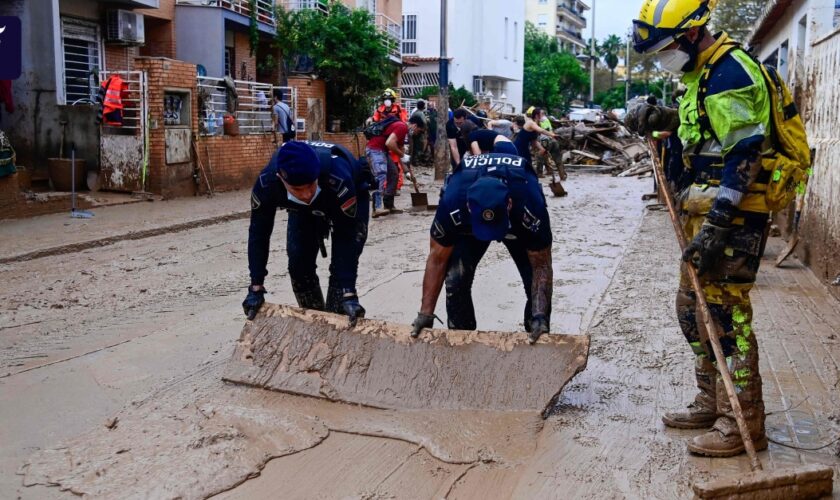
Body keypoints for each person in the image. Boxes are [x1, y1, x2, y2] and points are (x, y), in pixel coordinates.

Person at [628, 0, 774, 457]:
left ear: (692, 35)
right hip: (703, 211)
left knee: (728, 319)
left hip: (732, 217)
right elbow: (706, 131)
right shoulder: (701, 76)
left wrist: (716, 225)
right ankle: (712, 401)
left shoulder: (731, 72)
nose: (662, 57)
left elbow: (745, 154)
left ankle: (742, 421)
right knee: (692, 312)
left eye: (666, 47)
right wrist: (664, 119)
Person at [410, 153, 554, 345]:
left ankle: (535, 332)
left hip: (516, 223)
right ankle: (462, 340)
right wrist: (426, 313)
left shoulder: (530, 204)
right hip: (470, 226)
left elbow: (542, 266)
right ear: (469, 207)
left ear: (509, 204)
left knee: (532, 283)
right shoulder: (453, 202)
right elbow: (437, 259)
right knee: (455, 279)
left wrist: (540, 316)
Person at [243, 141, 371, 325]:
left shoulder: (338, 178)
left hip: (345, 194)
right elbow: (258, 233)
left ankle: (336, 318)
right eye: (297, 189)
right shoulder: (267, 183)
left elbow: (347, 237)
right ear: (280, 178)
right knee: (298, 265)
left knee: (340, 274)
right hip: (301, 210)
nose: (306, 195)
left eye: (310, 185)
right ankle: (315, 322)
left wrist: (348, 292)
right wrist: (256, 286)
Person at [365, 112, 411, 217]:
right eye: (419, 131)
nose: (417, 133)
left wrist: (407, 172)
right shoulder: (402, 127)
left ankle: (388, 205)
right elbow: (390, 143)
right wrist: (402, 154)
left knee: (394, 174)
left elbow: (401, 154)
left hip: (382, 151)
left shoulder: (402, 131)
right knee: (380, 176)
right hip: (375, 150)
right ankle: (376, 208)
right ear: (415, 125)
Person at [409, 100, 430, 166]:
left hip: (413, 131)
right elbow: (424, 123)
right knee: (419, 147)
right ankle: (416, 161)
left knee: (414, 146)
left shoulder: (415, 112)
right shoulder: (421, 113)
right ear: (423, 106)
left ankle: (414, 160)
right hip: (419, 132)